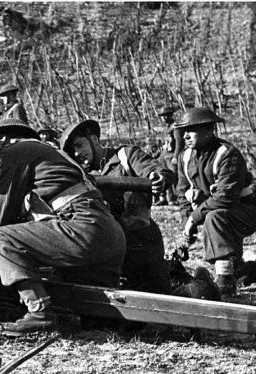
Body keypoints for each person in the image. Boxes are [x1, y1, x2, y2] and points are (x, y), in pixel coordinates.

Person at [0, 118, 126, 336]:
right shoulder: (54, 155)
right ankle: (101, 322)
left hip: (83, 230)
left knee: (3, 238)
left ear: (2, 139)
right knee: (94, 314)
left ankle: (39, 314)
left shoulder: (15, 150)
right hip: (108, 233)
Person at [60, 119, 176, 295]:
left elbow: (155, 170)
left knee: (159, 296)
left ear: (94, 140)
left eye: (79, 145)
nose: (77, 153)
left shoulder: (125, 156)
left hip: (141, 241)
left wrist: (157, 177)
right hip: (108, 246)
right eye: (72, 150)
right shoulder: (82, 174)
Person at [174, 107, 256, 296]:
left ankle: (225, 282)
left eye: (191, 130)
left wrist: (194, 218)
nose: (185, 136)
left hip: (245, 212)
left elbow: (225, 197)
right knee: (235, 263)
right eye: (184, 131)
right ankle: (244, 269)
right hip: (217, 213)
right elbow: (182, 193)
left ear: (209, 130)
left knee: (214, 218)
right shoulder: (185, 156)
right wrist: (186, 224)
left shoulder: (227, 154)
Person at [156, 105, 183, 205]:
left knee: (174, 177)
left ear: (171, 115)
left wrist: (176, 156)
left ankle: (177, 198)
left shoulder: (175, 127)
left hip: (172, 156)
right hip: (164, 156)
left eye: (166, 115)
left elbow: (179, 143)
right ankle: (166, 199)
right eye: (163, 116)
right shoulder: (165, 129)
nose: (164, 118)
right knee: (164, 176)